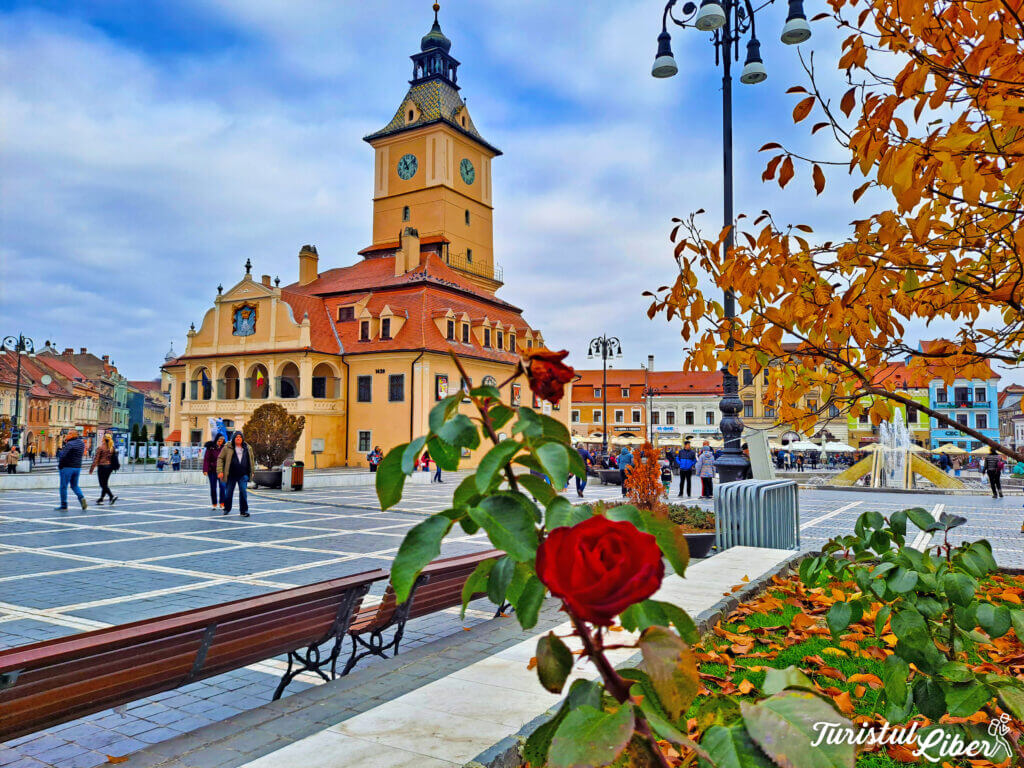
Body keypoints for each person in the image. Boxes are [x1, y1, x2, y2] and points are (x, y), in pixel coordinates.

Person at [217, 431, 256, 517]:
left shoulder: (248, 448)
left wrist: (252, 471)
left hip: (243, 474)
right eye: (237, 437)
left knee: (243, 492)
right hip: (231, 474)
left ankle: (244, 511)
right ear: (234, 438)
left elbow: (251, 460)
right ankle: (227, 508)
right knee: (229, 493)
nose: (238, 438)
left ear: (242, 439)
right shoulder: (228, 447)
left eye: (240, 437)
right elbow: (220, 458)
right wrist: (220, 471)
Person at [55, 430, 87, 511]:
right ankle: (81, 498)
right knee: (75, 485)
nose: (67, 435)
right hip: (77, 467)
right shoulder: (81, 443)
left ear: (73, 435)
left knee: (63, 487)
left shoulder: (69, 444)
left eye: (69, 434)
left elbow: (63, 455)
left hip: (67, 467)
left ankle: (64, 505)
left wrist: (60, 466)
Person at [89, 433, 118, 505]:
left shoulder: (101, 448)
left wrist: (92, 468)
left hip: (102, 467)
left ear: (103, 439)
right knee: (105, 484)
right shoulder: (112, 448)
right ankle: (101, 499)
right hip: (110, 467)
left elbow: (96, 459)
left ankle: (111, 496)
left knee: (102, 484)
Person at [203, 435, 227, 511]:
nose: (220, 442)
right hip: (212, 471)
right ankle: (214, 503)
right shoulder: (210, 447)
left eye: (222, 441)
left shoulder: (224, 448)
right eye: (219, 441)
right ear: (216, 440)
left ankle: (222, 503)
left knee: (223, 487)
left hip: (221, 471)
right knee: (213, 488)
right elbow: (206, 459)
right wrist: (205, 470)